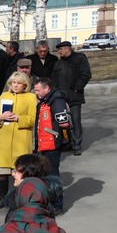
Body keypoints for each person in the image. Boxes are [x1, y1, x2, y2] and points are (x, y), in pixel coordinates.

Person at [0, 72, 37, 209]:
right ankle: (3, 198)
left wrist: (19, 118)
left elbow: (33, 119)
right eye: (13, 83)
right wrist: (1, 117)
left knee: (20, 173)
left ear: (25, 85)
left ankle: (18, 200)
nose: (15, 85)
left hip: (21, 139)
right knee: (2, 172)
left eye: (18, 83)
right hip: (3, 139)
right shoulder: (4, 95)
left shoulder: (30, 97)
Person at [33, 78, 71, 214]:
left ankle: (57, 205)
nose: (36, 93)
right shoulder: (46, 100)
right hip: (44, 144)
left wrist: (60, 138)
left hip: (52, 145)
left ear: (46, 88)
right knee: (46, 175)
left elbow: (64, 123)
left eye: (38, 90)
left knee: (53, 176)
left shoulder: (56, 101)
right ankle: (49, 203)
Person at [51, 41, 91, 156]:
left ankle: (77, 144)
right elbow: (53, 78)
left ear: (67, 48)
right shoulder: (58, 63)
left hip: (74, 96)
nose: (59, 52)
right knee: (62, 120)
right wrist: (56, 92)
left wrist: (77, 88)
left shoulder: (79, 58)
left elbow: (86, 75)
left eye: (61, 49)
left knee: (75, 120)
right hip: (60, 97)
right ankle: (66, 142)